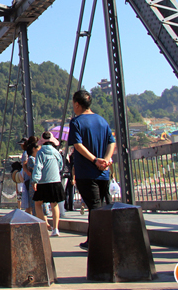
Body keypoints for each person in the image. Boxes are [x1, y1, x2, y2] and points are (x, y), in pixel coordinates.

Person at [68, 89, 116, 251]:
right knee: (99, 207)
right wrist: (106, 160)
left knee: (95, 208)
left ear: (77, 104)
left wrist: (95, 160)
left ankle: (99, 243)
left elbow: (78, 145)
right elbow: (111, 142)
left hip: (86, 172)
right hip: (103, 172)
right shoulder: (102, 121)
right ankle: (94, 240)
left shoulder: (76, 122)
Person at [32, 132, 65, 237]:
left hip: (43, 181)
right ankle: (56, 229)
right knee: (54, 204)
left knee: (38, 203)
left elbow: (38, 167)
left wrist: (35, 180)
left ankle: (44, 225)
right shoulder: (56, 152)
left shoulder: (40, 152)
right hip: (55, 180)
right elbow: (60, 165)